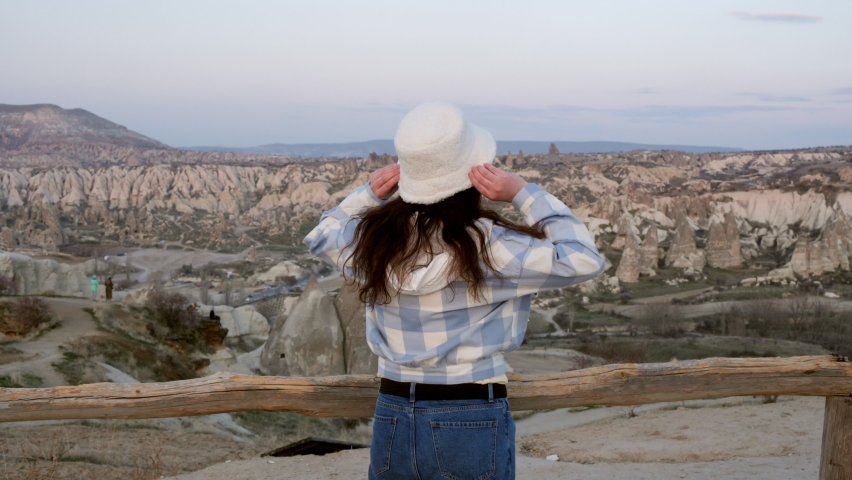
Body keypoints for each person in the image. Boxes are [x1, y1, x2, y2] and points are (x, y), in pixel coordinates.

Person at [304, 102, 605, 480]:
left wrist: (367, 194)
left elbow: (322, 235)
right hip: (471, 409)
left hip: (392, 408)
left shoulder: (375, 242)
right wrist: (523, 193)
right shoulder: (491, 246)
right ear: (472, 177)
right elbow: (582, 258)